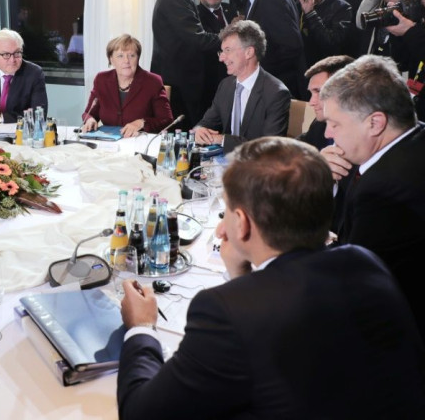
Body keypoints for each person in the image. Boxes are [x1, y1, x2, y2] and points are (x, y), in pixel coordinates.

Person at [118, 136, 425, 419]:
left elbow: (140, 413)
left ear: (242, 223)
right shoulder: (365, 262)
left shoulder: (225, 311)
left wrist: (142, 328)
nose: (220, 229)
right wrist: (239, 276)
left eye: (225, 211)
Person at [320, 54, 425, 340]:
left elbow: (350, 280)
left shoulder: (384, 189)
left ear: (375, 123)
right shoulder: (411, 141)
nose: (328, 134)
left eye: (335, 124)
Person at [194, 20, 291, 154]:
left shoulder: (276, 93)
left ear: (249, 52)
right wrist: (200, 130)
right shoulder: (226, 85)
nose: (221, 58)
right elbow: (205, 123)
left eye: (227, 50)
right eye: (221, 51)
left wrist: (221, 140)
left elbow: (269, 148)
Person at [81, 35, 173, 138]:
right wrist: (90, 119)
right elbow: (89, 113)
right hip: (108, 142)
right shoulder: (102, 79)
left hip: (139, 142)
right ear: (111, 59)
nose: (126, 61)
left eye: (131, 56)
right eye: (120, 56)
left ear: (137, 58)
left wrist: (141, 122)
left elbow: (167, 120)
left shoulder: (152, 82)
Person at [151, 0, 221, 131]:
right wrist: (230, 39)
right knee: (181, 136)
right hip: (178, 83)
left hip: (180, 80)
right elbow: (198, 39)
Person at [0, 28, 48, 127]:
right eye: (6, 54)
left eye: (17, 53)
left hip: (22, 134)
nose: (12, 60)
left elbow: (39, 116)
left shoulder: (34, 73)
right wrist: (20, 116)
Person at [234, 0, 306, 99]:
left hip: (278, 90)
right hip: (271, 89)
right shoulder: (256, 1)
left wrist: (255, 70)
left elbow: (291, 47)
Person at [297, 55, 354, 150]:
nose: (311, 102)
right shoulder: (319, 124)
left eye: (319, 91)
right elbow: (299, 146)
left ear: (345, 91)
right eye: (311, 93)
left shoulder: (363, 136)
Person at [384, 1, 425, 123]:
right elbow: (402, 61)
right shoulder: (418, 17)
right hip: (417, 107)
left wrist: (410, 31)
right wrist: (397, 30)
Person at [197, 0, 236, 116]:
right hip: (208, 85)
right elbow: (204, 44)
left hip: (236, 82)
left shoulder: (232, 10)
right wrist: (232, 30)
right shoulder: (194, 14)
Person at [298, 0, 353, 68]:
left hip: (322, 69)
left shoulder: (342, 7)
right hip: (300, 65)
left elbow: (332, 45)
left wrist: (311, 14)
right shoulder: (300, 2)